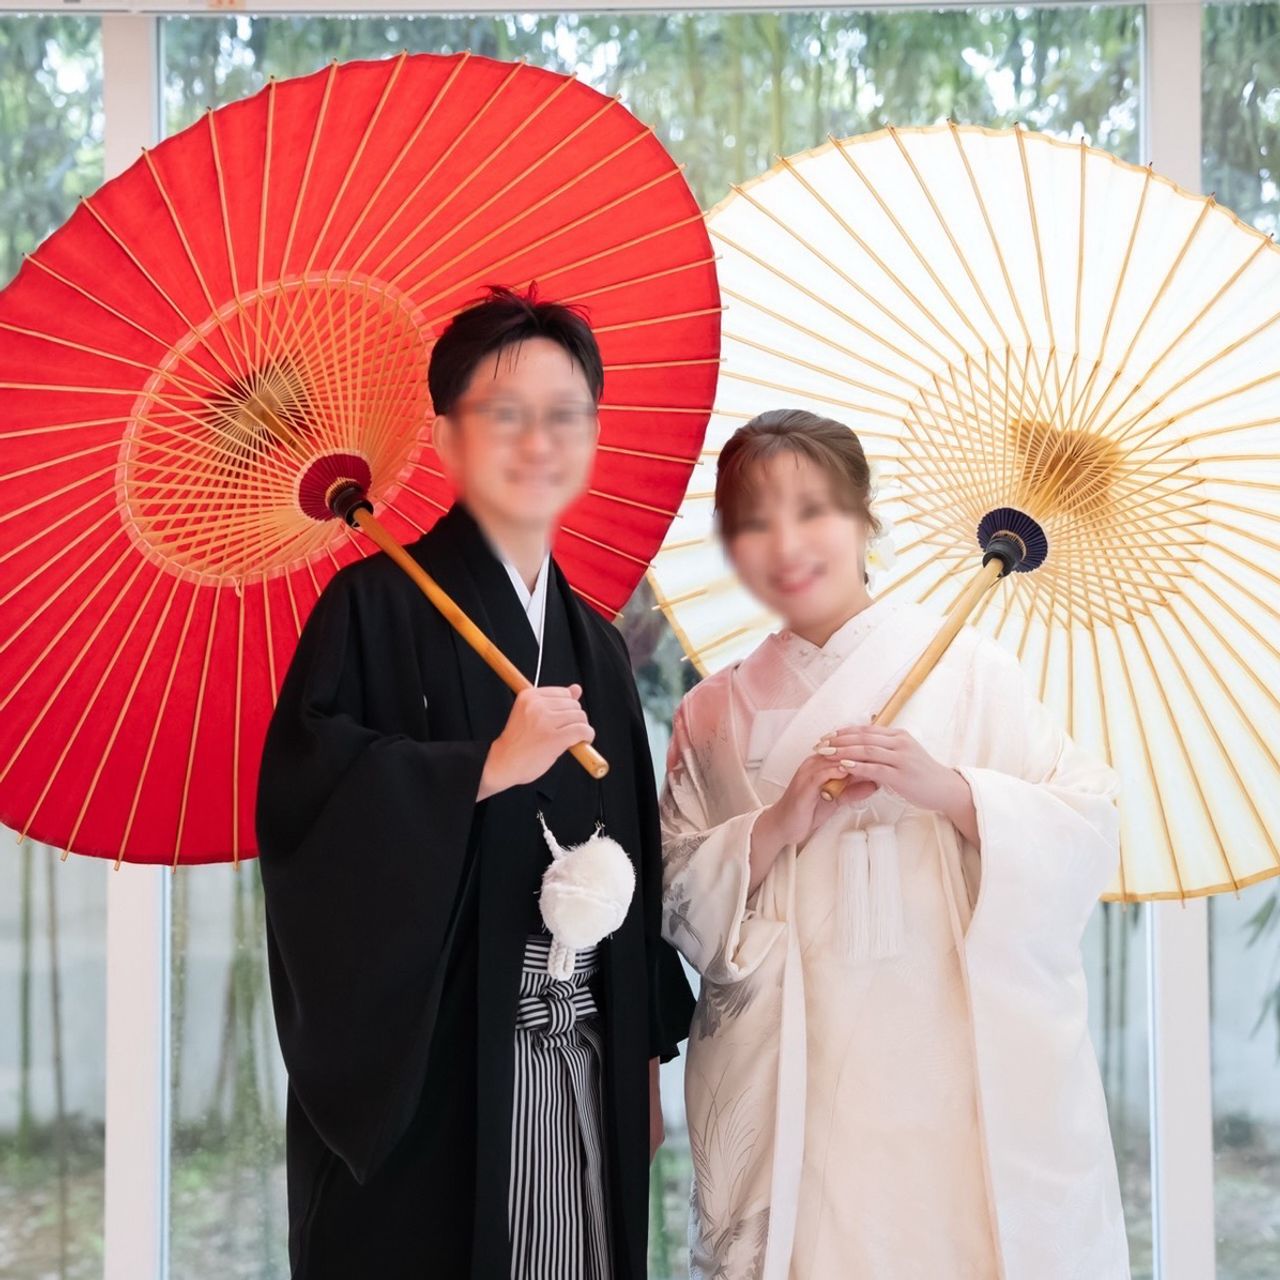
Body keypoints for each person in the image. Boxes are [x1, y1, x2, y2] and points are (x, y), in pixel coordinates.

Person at [256, 286, 694, 1280]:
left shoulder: (595, 645)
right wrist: (483, 768)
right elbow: (310, 823)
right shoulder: (369, 607)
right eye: (505, 414)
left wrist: (640, 1059)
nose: (538, 441)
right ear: (447, 438)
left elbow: (635, 859)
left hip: (582, 1057)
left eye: (564, 414)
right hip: (438, 1079)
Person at [659, 409, 1129, 1279]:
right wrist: (779, 821)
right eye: (754, 522)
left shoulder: (971, 672)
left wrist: (949, 789)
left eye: (813, 511)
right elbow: (675, 889)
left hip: (949, 1054)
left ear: (863, 517)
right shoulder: (711, 712)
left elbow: (1085, 824)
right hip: (791, 1068)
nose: (786, 544)